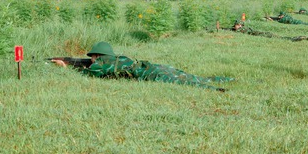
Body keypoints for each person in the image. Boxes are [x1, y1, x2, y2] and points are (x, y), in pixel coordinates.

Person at [54, 41, 233, 91]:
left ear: (97, 56)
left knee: (184, 83)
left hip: (152, 75)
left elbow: (87, 76)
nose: (91, 59)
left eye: (92, 56)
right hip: (155, 67)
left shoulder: (99, 65)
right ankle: (223, 80)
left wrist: (64, 66)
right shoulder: (117, 59)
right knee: (189, 76)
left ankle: (215, 89)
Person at [230, 20, 308, 41]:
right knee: (285, 38)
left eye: (236, 25)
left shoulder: (243, 29)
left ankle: (306, 38)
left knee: (286, 39)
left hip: (265, 35)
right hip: (265, 34)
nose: (235, 27)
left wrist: (233, 30)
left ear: (240, 25)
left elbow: (238, 32)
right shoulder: (245, 28)